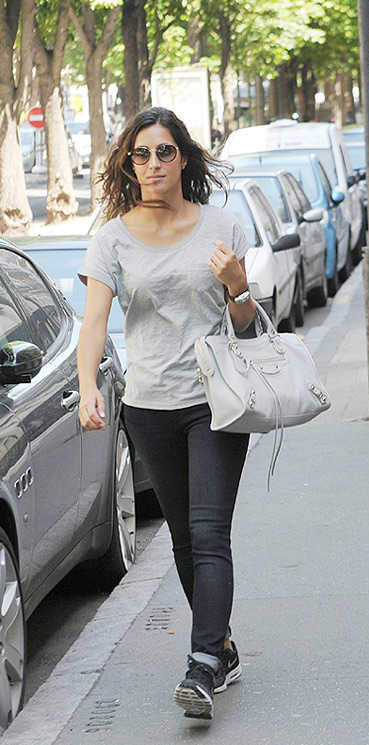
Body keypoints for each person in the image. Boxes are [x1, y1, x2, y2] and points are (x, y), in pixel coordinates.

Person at [77, 106, 256, 721]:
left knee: (209, 534)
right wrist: (89, 386)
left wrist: (236, 284)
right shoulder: (112, 237)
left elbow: (248, 326)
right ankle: (223, 647)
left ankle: (201, 665)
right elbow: (95, 322)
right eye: (141, 155)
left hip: (215, 401)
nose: (153, 164)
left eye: (164, 152)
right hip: (148, 406)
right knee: (182, 538)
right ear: (129, 164)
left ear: (184, 157)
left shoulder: (222, 225)